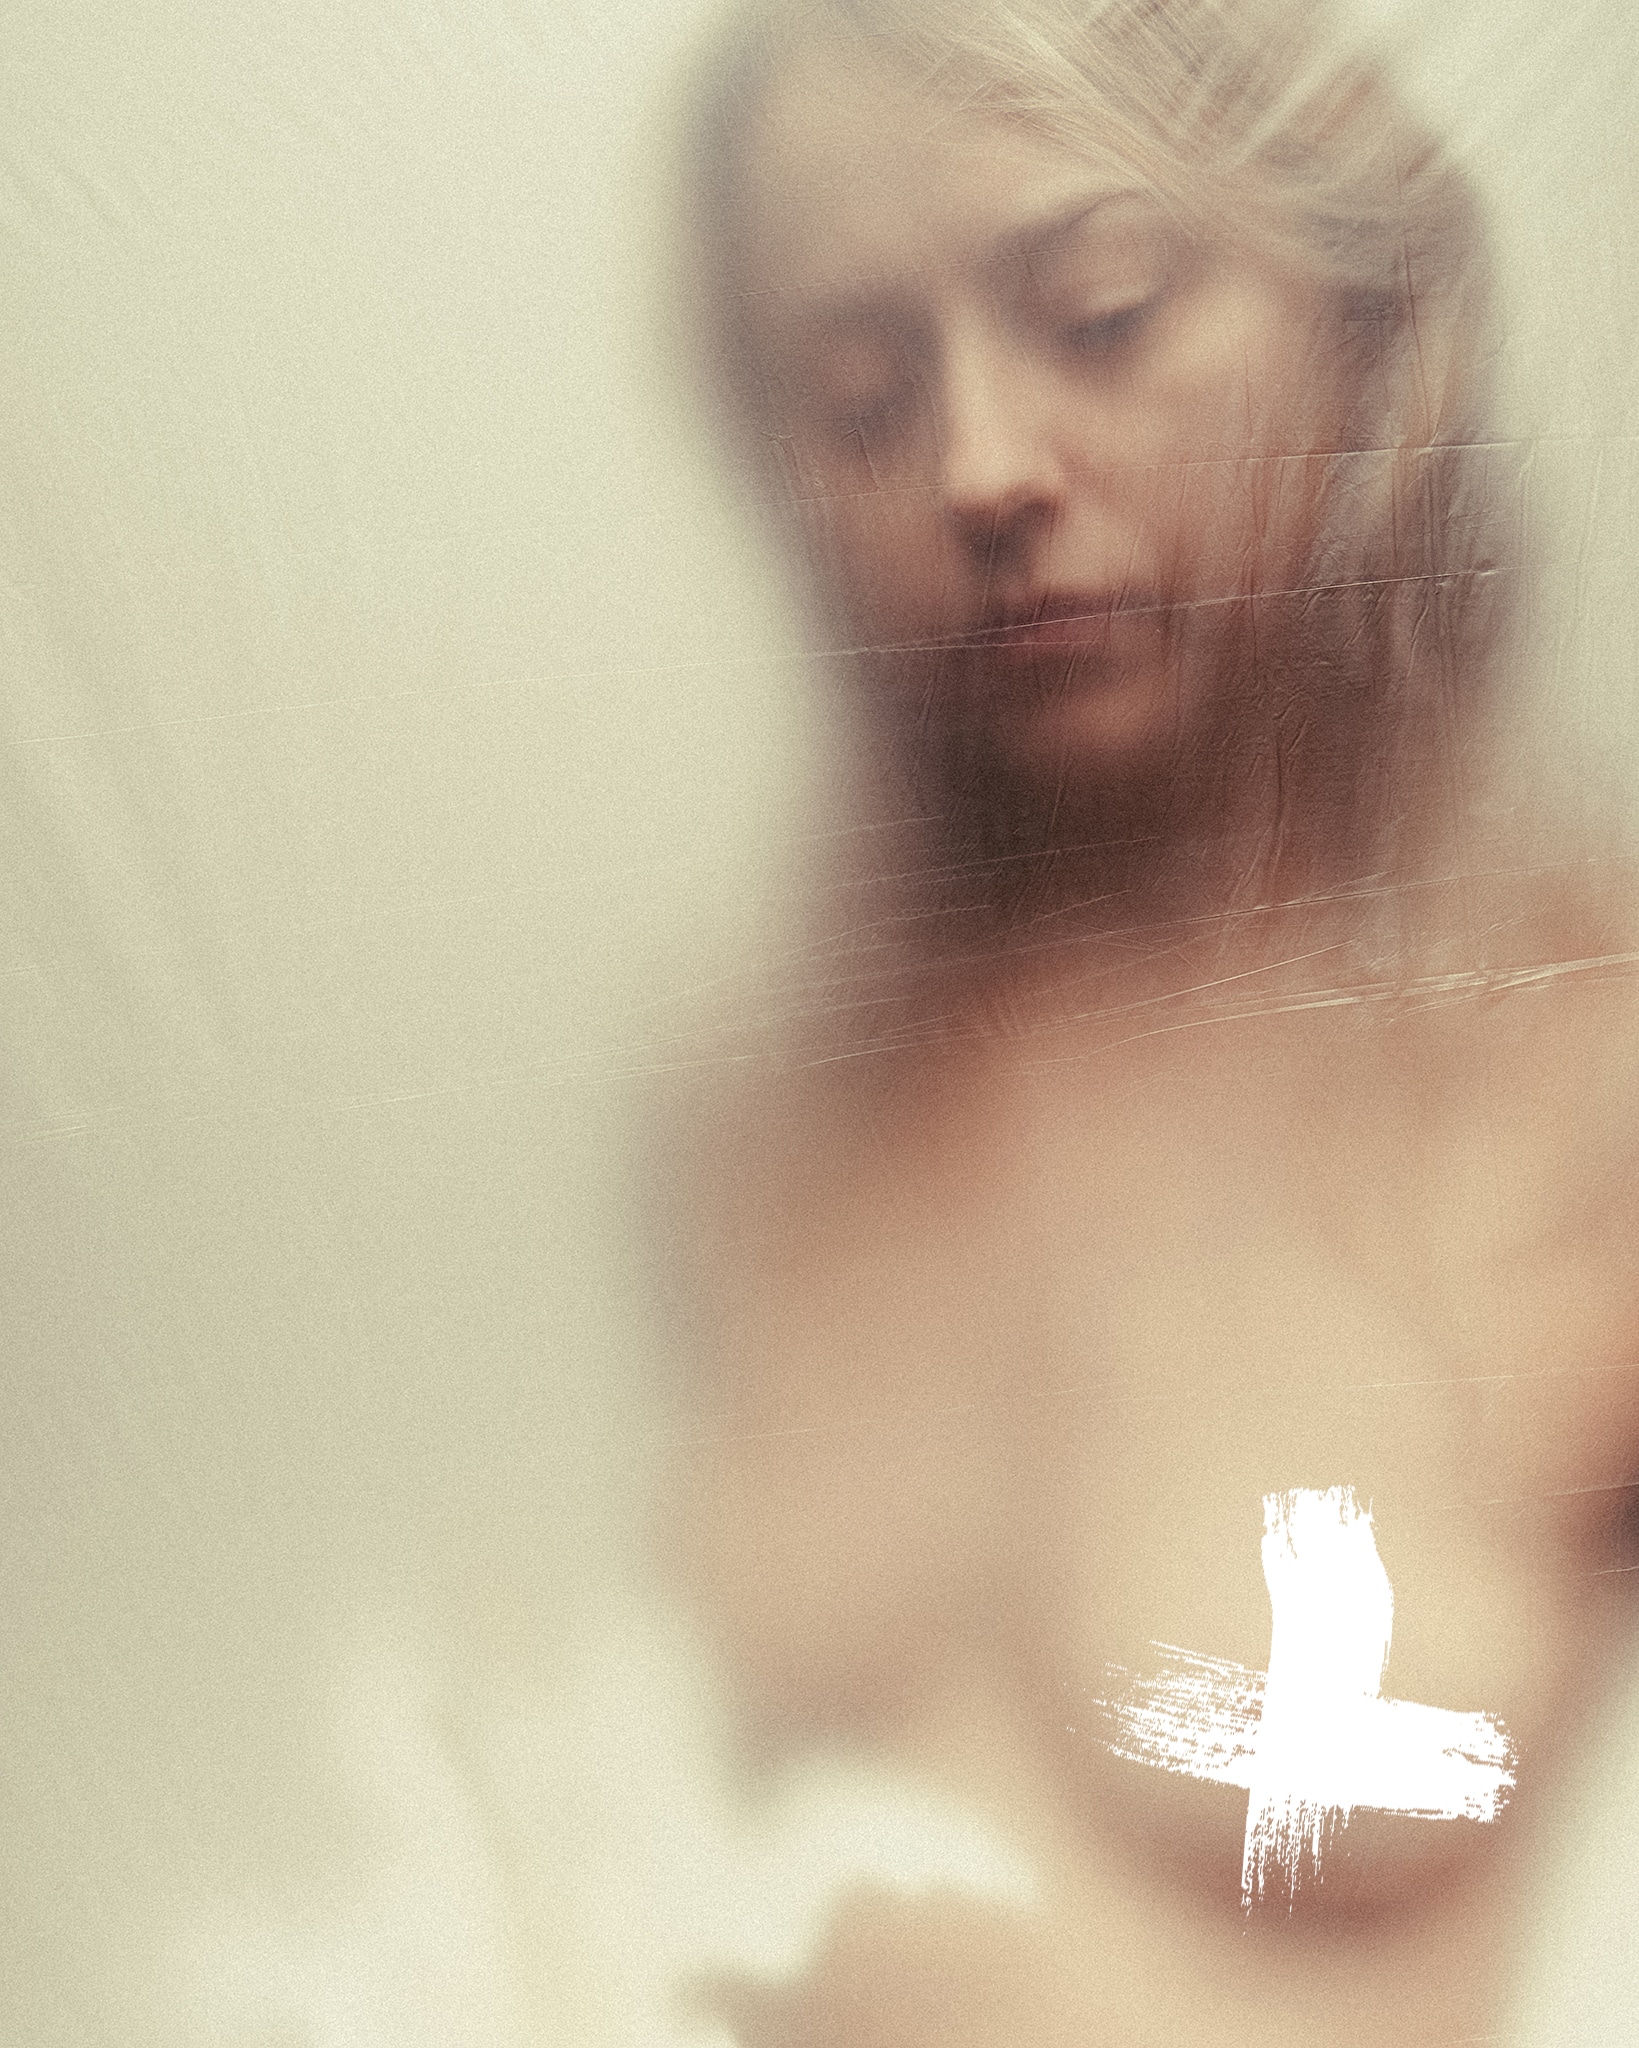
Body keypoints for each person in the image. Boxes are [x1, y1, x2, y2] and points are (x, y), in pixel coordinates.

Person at [659, 1, 1639, 2041]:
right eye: (857, 397)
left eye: (1100, 314)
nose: (980, 467)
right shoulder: (760, 1134)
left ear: (1363, 314)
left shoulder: (1588, 1074)